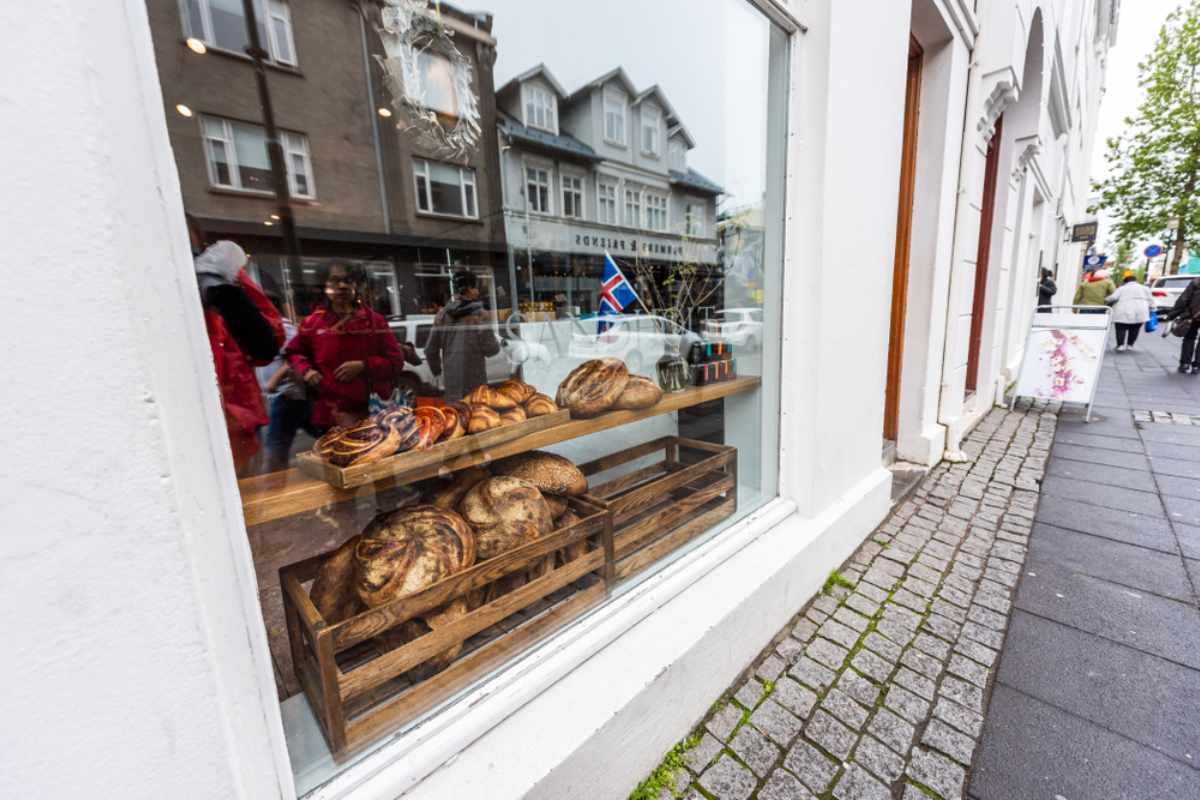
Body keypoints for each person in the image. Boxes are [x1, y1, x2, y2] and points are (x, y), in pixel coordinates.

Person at [189, 216, 284, 473]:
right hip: (192, 421)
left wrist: (224, 291)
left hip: (238, 421)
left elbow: (268, 343)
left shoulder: (220, 277)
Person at [285, 261, 412, 428]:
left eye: (348, 280)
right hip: (332, 415)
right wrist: (306, 370)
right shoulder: (313, 323)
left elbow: (396, 363)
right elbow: (293, 353)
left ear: (357, 285)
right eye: (335, 280)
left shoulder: (375, 321)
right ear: (325, 285)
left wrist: (364, 366)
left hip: (375, 414)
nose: (343, 286)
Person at [424, 270, 501, 399]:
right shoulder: (480, 315)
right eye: (476, 287)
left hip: (452, 384)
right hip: (475, 387)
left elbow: (430, 350)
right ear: (470, 289)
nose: (478, 290)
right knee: (476, 417)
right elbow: (491, 350)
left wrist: (438, 372)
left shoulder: (441, 315)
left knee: (454, 417)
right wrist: (498, 344)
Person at [1105, 271, 1153, 352]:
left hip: (1123, 310)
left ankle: (1120, 345)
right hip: (1140, 311)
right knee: (1135, 328)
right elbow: (1151, 300)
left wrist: (1105, 299)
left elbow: (1113, 298)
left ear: (1125, 281)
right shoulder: (1145, 288)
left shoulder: (1122, 288)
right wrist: (1153, 309)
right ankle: (1130, 345)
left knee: (1121, 328)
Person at [1166, 276, 1200, 374]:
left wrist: (1172, 314)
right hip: (1193, 314)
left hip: (1192, 315)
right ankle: (1197, 366)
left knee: (1189, 338)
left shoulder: (1196, 281)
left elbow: (1183, 299)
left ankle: (1185, 364)